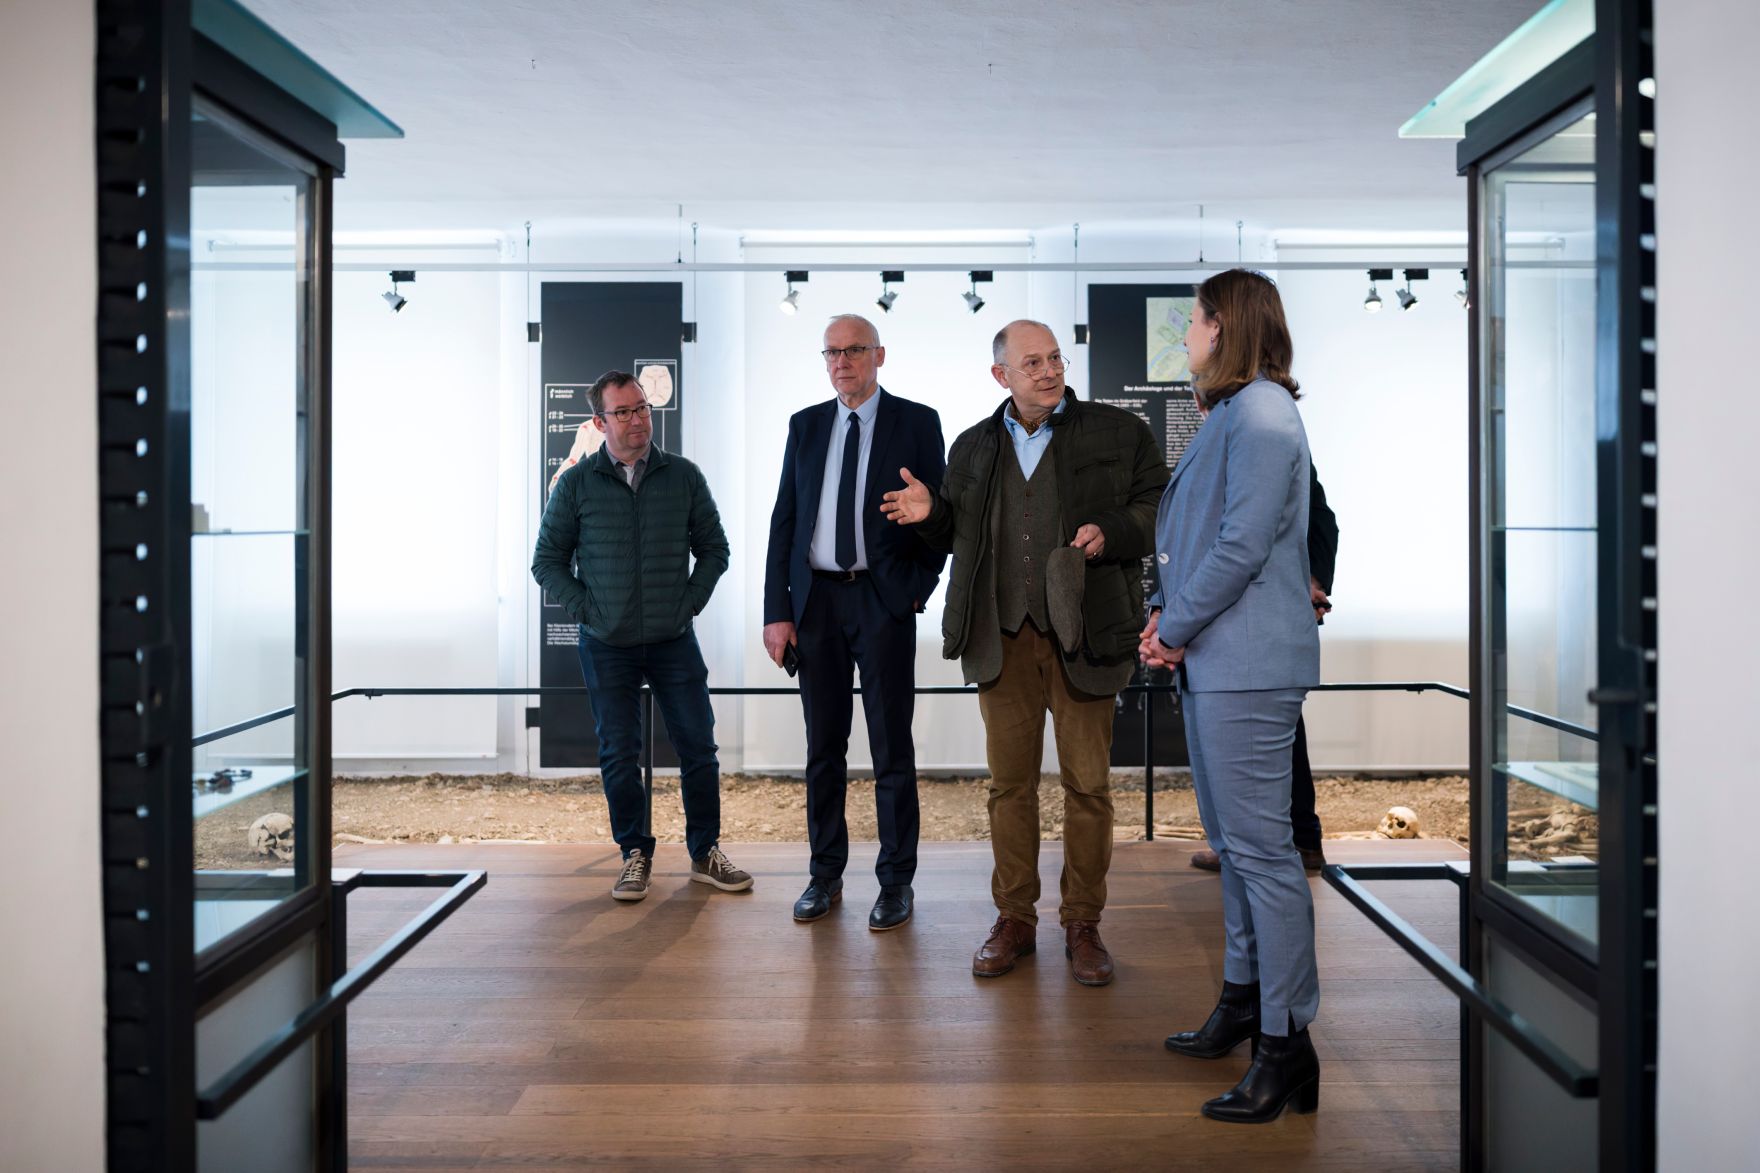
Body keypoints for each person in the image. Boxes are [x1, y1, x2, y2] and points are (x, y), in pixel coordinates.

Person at [881, 320, 1167, 986]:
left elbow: (1160, 505)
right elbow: (959, 532)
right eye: (1031, 362)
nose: (1047, 371)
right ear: (1000, 375)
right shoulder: (974, 445)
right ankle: (1015, 918)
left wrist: (1115, 530)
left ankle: (1083, 921)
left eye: (1054, 358)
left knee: (1088, 788)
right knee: (1009, 788)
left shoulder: (1118, 433)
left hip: (1086, 635)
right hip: (1000, 638)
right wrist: (931, 516)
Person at [1140, 269, 1322, 1123]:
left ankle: (1287, 1046)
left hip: (1245, 658)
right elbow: (1198, 534)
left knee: (1265, 856)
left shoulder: (1260, 413)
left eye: (1195, 322)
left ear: (1226, 327)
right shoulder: (1240, 411)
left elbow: (1243, 542)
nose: (1187, 336)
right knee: (1238, 845)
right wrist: (1165, 617)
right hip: (1221, 654)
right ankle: (1247, 1001)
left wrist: (1172, 627)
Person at [532, 370, 749, 902]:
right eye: (624, 412)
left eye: (643, 409)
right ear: (599, 422)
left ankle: (705, 853)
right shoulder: (578, 484)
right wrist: (590, 610)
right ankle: (634, 854)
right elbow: (547, 562)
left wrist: (687, 603)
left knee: (699, 748)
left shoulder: (683, 476)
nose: (638, 421)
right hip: (607, 645)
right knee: (619, 753)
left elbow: (715, 549)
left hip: (674, 640)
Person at [762, 314, 947, 931]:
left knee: (892, 747)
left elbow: (938, 517)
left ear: (879, 355)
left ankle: (895, 882)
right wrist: (777, 612)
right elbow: (783, 521)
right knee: (823, 749)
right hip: (816, 606)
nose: (843, 361)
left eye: (855, 350)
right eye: (833, 352)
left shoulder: (917, 422)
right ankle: (824, 875)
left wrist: (915, 593)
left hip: (882, 602)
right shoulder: (806, 425)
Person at [1189, 463, 1338, 872]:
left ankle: (1300, 841)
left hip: (1270, 615)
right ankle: (1242, 845)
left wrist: (1315, 580)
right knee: (1241, 741)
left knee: (1283, 734)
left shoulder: (1272, 440)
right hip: (1229, 616)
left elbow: (1321, 519)